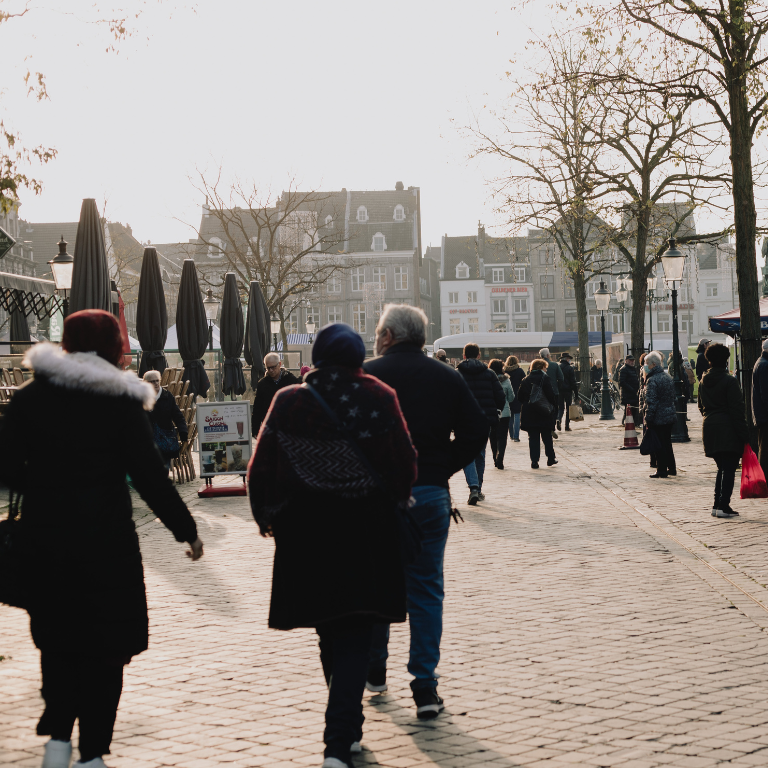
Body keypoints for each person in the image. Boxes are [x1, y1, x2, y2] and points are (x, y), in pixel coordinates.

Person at [0, 310, 203, 768]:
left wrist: (45, 485)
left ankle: (56, 739)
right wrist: (185, 531)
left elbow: (7, 469)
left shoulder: (30, 400)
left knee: (57, 641)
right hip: (106, 542)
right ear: (114, 348)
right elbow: (152, 477)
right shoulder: (119, 403)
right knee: (107, 648)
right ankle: (93, 752)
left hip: (44, 538)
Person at [248, 323, 418, 768]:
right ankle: (340, 740)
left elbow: (260, 466)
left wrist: (265, 518)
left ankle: (343, 736)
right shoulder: (381, 395)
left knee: (329, 627)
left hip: (306, 535)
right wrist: (395, 501)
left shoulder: (290, 401)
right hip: (368, 532)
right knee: (357, 632)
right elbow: (405, 463)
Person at [363, 306, 486, 719]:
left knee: (377, 582)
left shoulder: (368, 375)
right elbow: (477, 429)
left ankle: (375, 668)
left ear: (390, 335)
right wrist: (440, 466)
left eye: (380, 331)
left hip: (378, 495)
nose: (377, 337)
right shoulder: (446, 376)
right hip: (430, 492)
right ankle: (425, 686)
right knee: (427, 589)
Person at [699, 343, 748, 518]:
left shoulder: (703, 381)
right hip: (728, 429)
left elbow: (700, 406)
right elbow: (737, 410)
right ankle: (723, 505)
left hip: (709, 427)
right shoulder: (730, 381)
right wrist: (744, 434)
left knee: (722, 468)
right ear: (726, 360)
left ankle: (717, 504)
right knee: (728, 469)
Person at [455, 343, 505, 504]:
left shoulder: (456, 374)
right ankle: (479, 488)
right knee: (480, 454)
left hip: (463, 421)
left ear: (463, 356)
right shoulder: (489, 373)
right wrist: (497, 411)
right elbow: (500, 396)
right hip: (484, 420)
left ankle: (473, 487)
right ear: (479, 355)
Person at [518, 358, 558, 468]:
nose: (546, 370)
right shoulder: (544, 379)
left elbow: (520, 397)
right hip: (543, 412)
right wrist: (553, 407)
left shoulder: (525, 379)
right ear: (540, 367)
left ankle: (534, 461)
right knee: (546, 437)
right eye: (545, 367)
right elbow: (551, 395)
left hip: (530, 413)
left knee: (533, 438)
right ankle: (550, 458)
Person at [143, 370, 188, 469]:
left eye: (157, 381)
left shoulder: (167, 396)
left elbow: (178, 416)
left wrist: (183, 431)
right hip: (148, 439)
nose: (155, 383)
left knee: (164, 467)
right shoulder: (142, 398)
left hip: (165, 438)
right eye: (152, 381)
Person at [643, 351, 677, 478]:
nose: (645, 366)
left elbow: (651, 401)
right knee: (667, 443)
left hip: (658, 417)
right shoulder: (667, 377)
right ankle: (672, 467)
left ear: (653, 364)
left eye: (646, 364)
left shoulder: (652, 380)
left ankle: (661, 469)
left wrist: (648, 418)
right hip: (669, 415)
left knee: (659, 444)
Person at [251, 352, 299, 436]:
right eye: (268, 368)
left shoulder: (291, 380)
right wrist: (255, 430)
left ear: (279, 364)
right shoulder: (262, 384)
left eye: (273, 367)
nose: (271, 370)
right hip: (270, 427)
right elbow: (257, 408)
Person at [488, 358, 515, 469]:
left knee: (493, 436)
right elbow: (511, 397)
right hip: (505, 412)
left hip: (491, 412)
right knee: (502, 437)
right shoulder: (506, 380)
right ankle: (501, 458)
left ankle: (495, 456)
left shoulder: (487, 379)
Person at [751, 338, 768, 481]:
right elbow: (766, 394)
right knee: (765, 450)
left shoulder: (761, 363)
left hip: (762, 415)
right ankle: (764, 480)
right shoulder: (764, 365)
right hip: (764, 416)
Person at [539, 347, 564, 436]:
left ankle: (546, 426)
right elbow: (561, 378)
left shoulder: (536, 365)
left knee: (543, 409)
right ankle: (553, 425)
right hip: (554, 391)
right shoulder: (554, 365)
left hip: (541, 392)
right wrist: (558, 387)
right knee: (554, 409)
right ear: (548, 355)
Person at [504, 355, 525, 442]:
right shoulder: (519, 371)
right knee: (517, 416)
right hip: (518, 396)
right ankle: (516, 436)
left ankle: (511, 435)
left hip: (508, 395)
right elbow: (524, 381)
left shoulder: (505, 371)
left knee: (510, 416)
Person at [559, 352, 578, 431]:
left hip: (560, 390)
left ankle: (558, 420)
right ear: (567, 359)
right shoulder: (570, 368)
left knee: (560, 407)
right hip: (568, 391)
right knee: (568, 408)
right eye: (569, 359)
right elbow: (573, 382)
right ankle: (567, 426)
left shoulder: (558, 367)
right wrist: (576, 393)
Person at [619, 355, 639, 425]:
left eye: (633, 360)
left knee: (632, 409)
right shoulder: (624, 369)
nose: (632, 362)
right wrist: (632, 389)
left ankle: (629, 423)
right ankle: (627, 423)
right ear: (626, 361)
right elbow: (622, 382)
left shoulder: (632, 369)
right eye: (630, 360)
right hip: (628, 394)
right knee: (629, 409)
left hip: (633, 393)